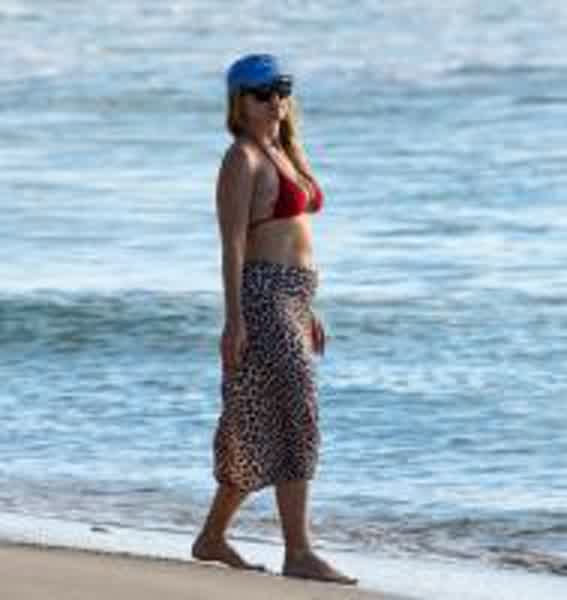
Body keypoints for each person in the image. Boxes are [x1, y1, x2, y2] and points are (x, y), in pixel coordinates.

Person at [192, 53, 356, 586]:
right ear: (238, 103)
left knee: (260, 419)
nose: (274, 101)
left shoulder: (285, 152)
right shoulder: (241, 159)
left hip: (293, 299)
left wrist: (307, 308)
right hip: (262, 298)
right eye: (262, 94)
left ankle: (212, 537)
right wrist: (234, 320)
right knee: (299, 415)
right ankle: (299, 551)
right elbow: (234, 246)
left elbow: (295, 240)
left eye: (281, 90)